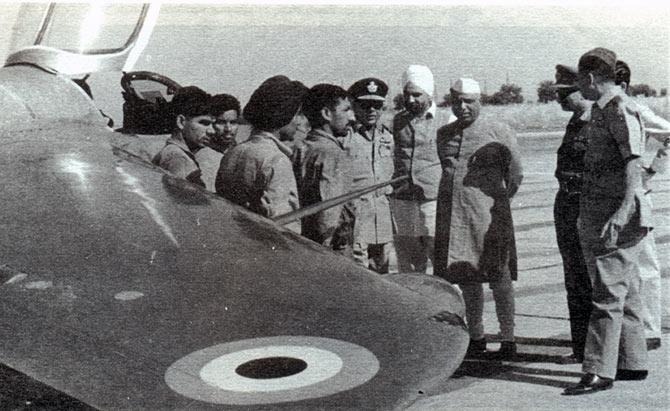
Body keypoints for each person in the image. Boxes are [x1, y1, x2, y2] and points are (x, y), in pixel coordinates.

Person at [564, 48, 649, 396]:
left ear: (590, 78)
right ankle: (632, 361)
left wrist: (622, 211)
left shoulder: (618, 109)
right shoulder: (603, 110)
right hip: (607, 211)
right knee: (625, 289)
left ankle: (598, 371)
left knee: (606, 293)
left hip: (614, 215)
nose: (577, 88)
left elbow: (633, 162)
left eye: (579, 81)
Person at [433, 78, 523, 360]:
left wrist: (498, 201)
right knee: (467, 277)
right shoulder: (444, 134)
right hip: (455, 218)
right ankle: (477, 335)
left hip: (489, 217)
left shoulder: (499, 132)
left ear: (480, 101)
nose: (463, 106)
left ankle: (508, 337)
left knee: (499, 277)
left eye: (469, 101)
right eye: (457, 100)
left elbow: (516, 174)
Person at [615, 60, 670, 351]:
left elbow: (669, 133)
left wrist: (651, 171)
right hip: (615, 195)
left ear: (623, 86)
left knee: (646, 264)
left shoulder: (636, 109)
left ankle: (650, 330)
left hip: (637, 194)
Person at [215, 76, 308, 233]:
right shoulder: (277, 161)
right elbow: (284, 227)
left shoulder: (233, 152)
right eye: (297, 113)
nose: (300, 121)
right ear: (282, 115)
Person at [391, 65, 454, 273]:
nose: (410, 100)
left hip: (434, 201)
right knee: (408, 262)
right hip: (403, 200)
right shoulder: (397, 121)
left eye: (416, 95)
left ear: (429, 93)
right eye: (406, 95)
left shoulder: (448, 120)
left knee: (440, 256)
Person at [550, 64, 594, 364]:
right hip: (566, 206)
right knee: (573, 279)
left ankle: (597, 350)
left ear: (580, 90)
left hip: (585, 208)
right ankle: (580, 347)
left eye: (564, 93)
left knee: (591, 280)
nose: (558, 99)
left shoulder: (596, 121)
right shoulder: (575, 122)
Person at [293, 84, 356, 253]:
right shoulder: (334, 154)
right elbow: (328, 215)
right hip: (328, 250)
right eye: (346, 110)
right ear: (327, 114)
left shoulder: (301, 148)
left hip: (302, 242)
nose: (352, 117)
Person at [346, 77, 395, 273]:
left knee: (382, 272)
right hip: (357, 216)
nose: (372, 110)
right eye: (365, 105)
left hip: (382, 216)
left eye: (377, 105)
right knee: (358, 273)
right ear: (354, 106)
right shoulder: (347, 136)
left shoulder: (388, 137)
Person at [152, 86, 215, 188]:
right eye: (204, 123)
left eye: (212, 124)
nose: (211, 131)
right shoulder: (179, 159)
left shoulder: (170, 151)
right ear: (181, 122)